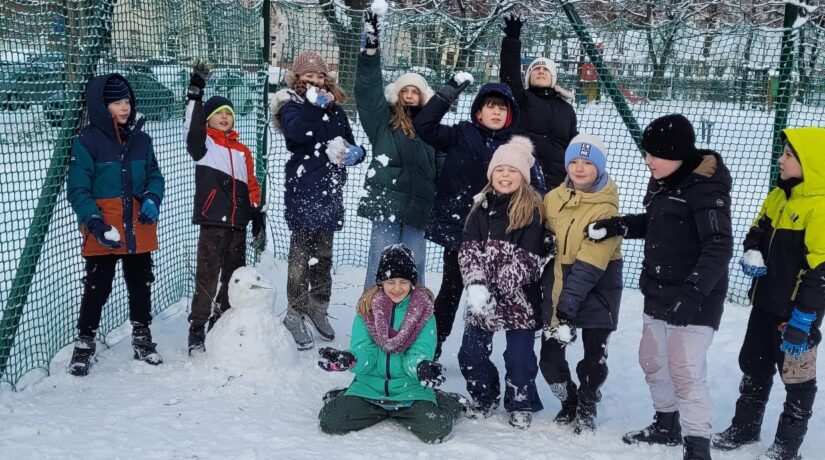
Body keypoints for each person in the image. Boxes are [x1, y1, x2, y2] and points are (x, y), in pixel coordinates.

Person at [588, 114, 732, 460]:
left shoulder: (706, 190)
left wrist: (693, 294)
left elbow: (719, 246)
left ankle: (697, 446)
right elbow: (657, 222)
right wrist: (618, 225)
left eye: (654, 154)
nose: (647, 160)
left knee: (684, 369)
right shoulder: (663, 181)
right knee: (651, 360)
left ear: (677, 154)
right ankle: (666, 424)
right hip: (659, 290)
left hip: (696, 299)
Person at [413, 74, 545, 359]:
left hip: (500, 235)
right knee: (452, 288)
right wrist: (448, 91)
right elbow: (423, 125)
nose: (496, 111)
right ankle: (430, 350)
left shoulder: (517, 146)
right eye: (490, 106)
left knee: (496, 293)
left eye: (502, 108)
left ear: (511, 114)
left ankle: (486, 357)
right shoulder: (462, 133)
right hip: (460, 228)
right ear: (478, 111)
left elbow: (537, 190)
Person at [712, 127, 825, 460]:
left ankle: (787, 447)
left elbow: (821, 270)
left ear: (812, 164)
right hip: (764, 303)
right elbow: (757, 230)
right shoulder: (779, 195)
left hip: (796, 313)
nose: (781, 160)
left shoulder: (819, 209)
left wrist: (804, 318)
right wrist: (752, 252)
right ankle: (745, 427)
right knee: (754, 363)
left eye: (789, 155)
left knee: (798, 379)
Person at [66, 73, 165, 376]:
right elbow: (78, 189)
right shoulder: (87, 141)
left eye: (127, 101)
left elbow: (154, 177)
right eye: (116, 102)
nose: (124, 107)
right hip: (103, 229)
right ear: (101, 106)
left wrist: (151, 198)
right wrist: (94, 223)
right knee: (97, 287)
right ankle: (85, 343)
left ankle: (142, 336)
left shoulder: (142, 140)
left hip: (137, 226)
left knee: (140, 283)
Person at [317, 244, 465, 443]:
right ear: (381, 282)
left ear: (412, 282)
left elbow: (418, 353)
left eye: (403, 281)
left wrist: (421, 367)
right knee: (330, 421)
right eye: (391, 281)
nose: (397, 288)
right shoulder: (367, 311)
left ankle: (447, 401)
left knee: (435, 430)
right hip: (370, 389)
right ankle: (350, 397)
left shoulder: (424, 314)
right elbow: (366, 352)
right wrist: (351, 358)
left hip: (409, 392)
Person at [271, 51, 366, 350]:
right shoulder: (291, 106)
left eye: (320, 76)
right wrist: (313, 105)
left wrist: (356, 154)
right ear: (297, 79)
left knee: (323, 255)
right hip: (303, 190)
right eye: (308, 76)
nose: (315, 81)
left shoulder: (335, 110)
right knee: (301, 257)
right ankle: (295, 313)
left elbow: (349, 138)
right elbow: (297, 134)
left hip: (330, 191)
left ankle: (319, 308)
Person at [457, 136, 547, 429]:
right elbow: (469, 251)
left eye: (513, 171)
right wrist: (477, 286)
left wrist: (498, 286)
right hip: (482, 296)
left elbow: (528, 260)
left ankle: (520, 401)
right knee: (470, 352)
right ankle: (484, 396)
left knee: (519, 358)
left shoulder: (532, 210)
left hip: (519, 297)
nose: (505, 175)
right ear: (491, 174)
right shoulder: (479, 208)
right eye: (500, 170)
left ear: (524, 177)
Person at [540, 134, 622, 434]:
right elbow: (544, 230)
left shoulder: (606, 208)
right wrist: (544, 239)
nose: (579, 168)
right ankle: (569, 400)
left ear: (599, 168)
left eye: (588, 162)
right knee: (549, 360)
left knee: (593, 358)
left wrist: (567, 307)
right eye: (574, 161)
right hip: (559, 285)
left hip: (597, 287)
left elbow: (590, 264)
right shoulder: (553, 198)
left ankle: (588, 401)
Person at [183, 62, 265, 355]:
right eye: (218, 114)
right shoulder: (204, 145)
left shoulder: (242, 151)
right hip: (213, 222)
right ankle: (196, 327)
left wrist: (257, 213)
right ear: (208, 119)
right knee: (207, 274)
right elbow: (191, 129)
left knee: (232, 277)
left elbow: (252, 184)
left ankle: (219, 322)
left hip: (238, 224)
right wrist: (195, 95)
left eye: (228, 114)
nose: (224, 118)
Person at [356, 9, 437, 288]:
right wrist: (370, 50)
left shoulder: (433, 129)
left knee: (415, 267)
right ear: (398, 95)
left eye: (416, 91)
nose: (411, 96)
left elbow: (442, 165)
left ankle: (415, 323)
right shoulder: (383, 123)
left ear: (423, 96)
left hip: (419, 208)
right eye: (406, 91)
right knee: (380, 263)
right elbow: (368, 93)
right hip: (386, 207)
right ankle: (369, 321)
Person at [500, 15, 577, 189]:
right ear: (528, 77)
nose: (541, 72)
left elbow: (573, 144)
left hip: (559, 182)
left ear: (553, 77)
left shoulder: (566, 109)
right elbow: (509, 74)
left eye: (545, 70)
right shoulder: (521, 98)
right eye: (536, 69)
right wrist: (512, 41)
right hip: (527, 178)